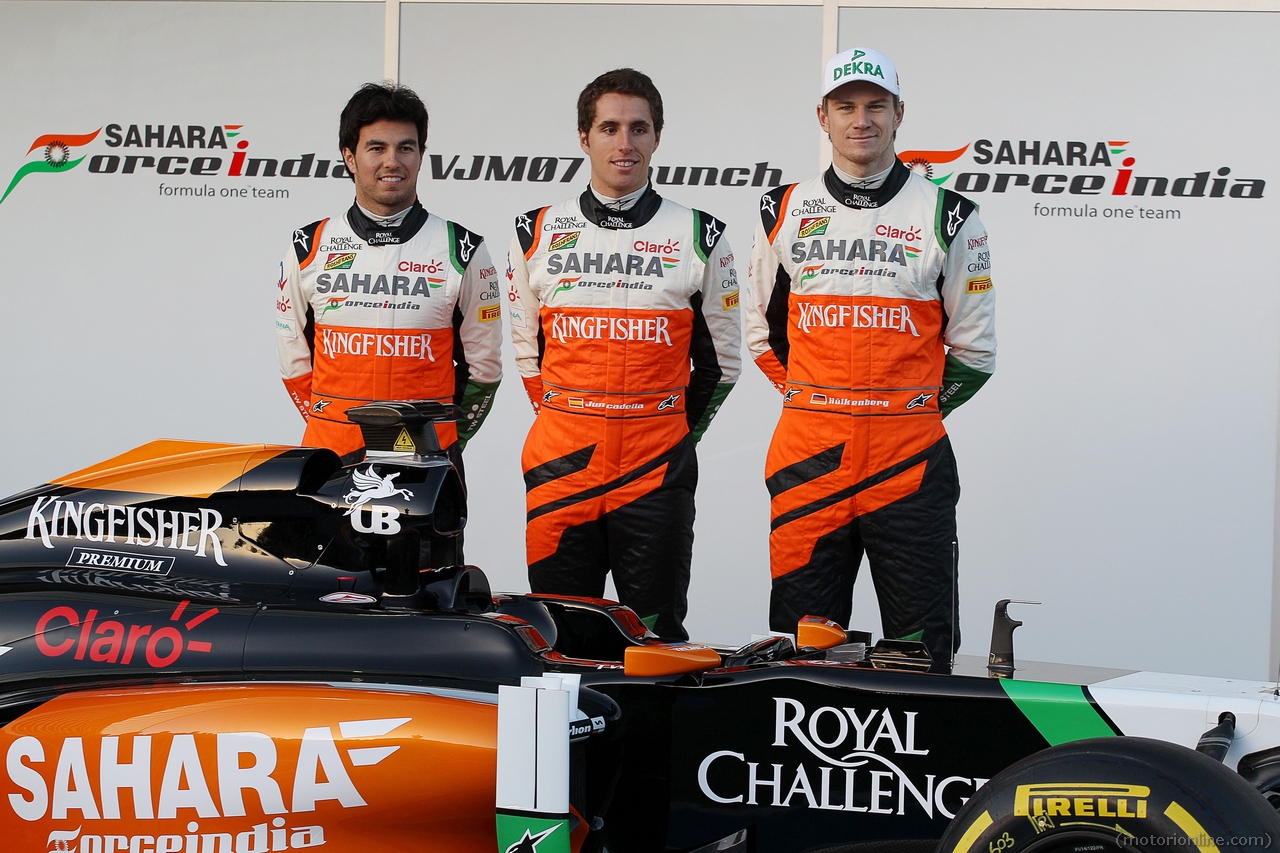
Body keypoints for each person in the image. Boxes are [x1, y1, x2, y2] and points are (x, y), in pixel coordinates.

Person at [743, 48, 996, 670]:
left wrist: (905, 412)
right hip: (810, 453)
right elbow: (764, 334)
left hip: (907, 457)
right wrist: (818, 400)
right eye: (846, 106)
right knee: (804, 653)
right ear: (822, 117)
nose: (863, 119)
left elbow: (975, 351)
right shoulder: (782, 210)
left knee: (919, 656)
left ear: (899, 114)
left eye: (876, 105)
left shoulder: (950, 213)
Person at [506, 68, 741, 640]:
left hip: (656, 467)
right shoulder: (535, 231)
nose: (624, 143)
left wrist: (670, 431)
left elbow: (722, 363)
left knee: (656, 641)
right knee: (556, 639)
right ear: (584, 138)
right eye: (609, 127)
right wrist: (570, 419)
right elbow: (526, 351)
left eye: (639, 128)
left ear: (657, 137)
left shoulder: (700, 234)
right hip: (562, 463)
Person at [276, 82, 502, 467]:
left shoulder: (463, 248)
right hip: (332, 457)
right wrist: (332, 426)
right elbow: (294, 359)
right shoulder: (308, 245)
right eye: (376, 148)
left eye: (406, 148)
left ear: (420, 156)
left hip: (427, 460)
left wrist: (444, 440)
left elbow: (484, 369)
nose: (392, 161)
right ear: (350, 157)